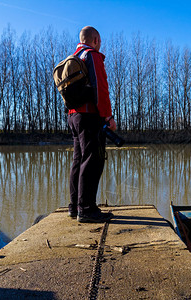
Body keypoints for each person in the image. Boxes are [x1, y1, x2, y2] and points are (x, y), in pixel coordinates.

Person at [67, 26, 116, 223]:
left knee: (78, 160)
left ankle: (75, 207)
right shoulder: (92, 56)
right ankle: (86, 209)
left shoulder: (74, 58)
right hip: (89, 117)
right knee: (92, 160)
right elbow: (100, 88)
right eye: (100, 40)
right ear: (95, 39)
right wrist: (108, 116)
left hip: (73, 117)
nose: (100, 44)